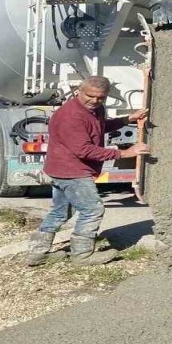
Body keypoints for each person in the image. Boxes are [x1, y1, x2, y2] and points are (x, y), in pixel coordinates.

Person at [26, 76, 149, 267]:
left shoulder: (94, 110)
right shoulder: (71, 116)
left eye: (100, 98)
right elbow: (84, 149)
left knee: (60, 212)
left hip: (61, 168)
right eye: (90, 96)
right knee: (92, 210)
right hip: (72, 171)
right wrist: (125, 152)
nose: (94, 100)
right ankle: (82, 255)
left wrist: (127, 119)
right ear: (79, 91)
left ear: (106, 96)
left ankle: (38, 253)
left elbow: (99, 128)